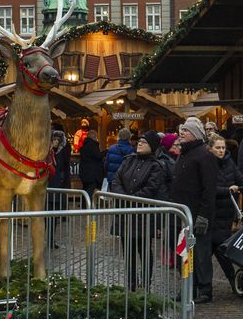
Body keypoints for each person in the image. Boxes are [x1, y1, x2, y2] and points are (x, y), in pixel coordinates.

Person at [168, 118, 218, 303]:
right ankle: (188, 287)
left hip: (197, 214)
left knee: (201, 254)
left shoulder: (205, 156)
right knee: (184, 253)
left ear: (195, 134)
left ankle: (205, 289)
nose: (182, 133)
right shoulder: (184, 154)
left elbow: (209, 188)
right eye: (181, 130)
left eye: (186, 131)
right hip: (182, 213)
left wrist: (203, 215)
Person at [114, 133, 170, 290]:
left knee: (144, 250)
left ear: (152, 145)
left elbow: (151, 188)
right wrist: (124, 197)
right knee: (128, 252)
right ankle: (131, 282)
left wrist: (132, 200)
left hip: (143, 216)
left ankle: (145, 282)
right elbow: (116, 180)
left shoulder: (156, 166)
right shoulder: (128, 160)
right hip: (126, 214)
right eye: (139, 141)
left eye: (144, 142)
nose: (140, 144)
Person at [208, 134, 243, 284]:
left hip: (225, 214)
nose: (221, 151)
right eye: (217, 148)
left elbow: (240, 179)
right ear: (210, 148)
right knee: (213, 252)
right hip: (211, 214)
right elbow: (208, 188)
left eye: (223, 148)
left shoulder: (229, 163)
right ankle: (207, 284)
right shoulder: (207, 164)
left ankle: (232, 280)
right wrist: (227, 190)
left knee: (222, 250)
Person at [77, 129, 105, 195]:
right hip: (92, 173)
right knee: (90, 190)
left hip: (84, 172)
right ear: (94, 137)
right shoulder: (92, 144)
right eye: (96, 137)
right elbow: (98, 155)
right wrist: (106, 151)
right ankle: (88, 204)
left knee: (85, 190)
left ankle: (84, 204)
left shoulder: (84, 145)